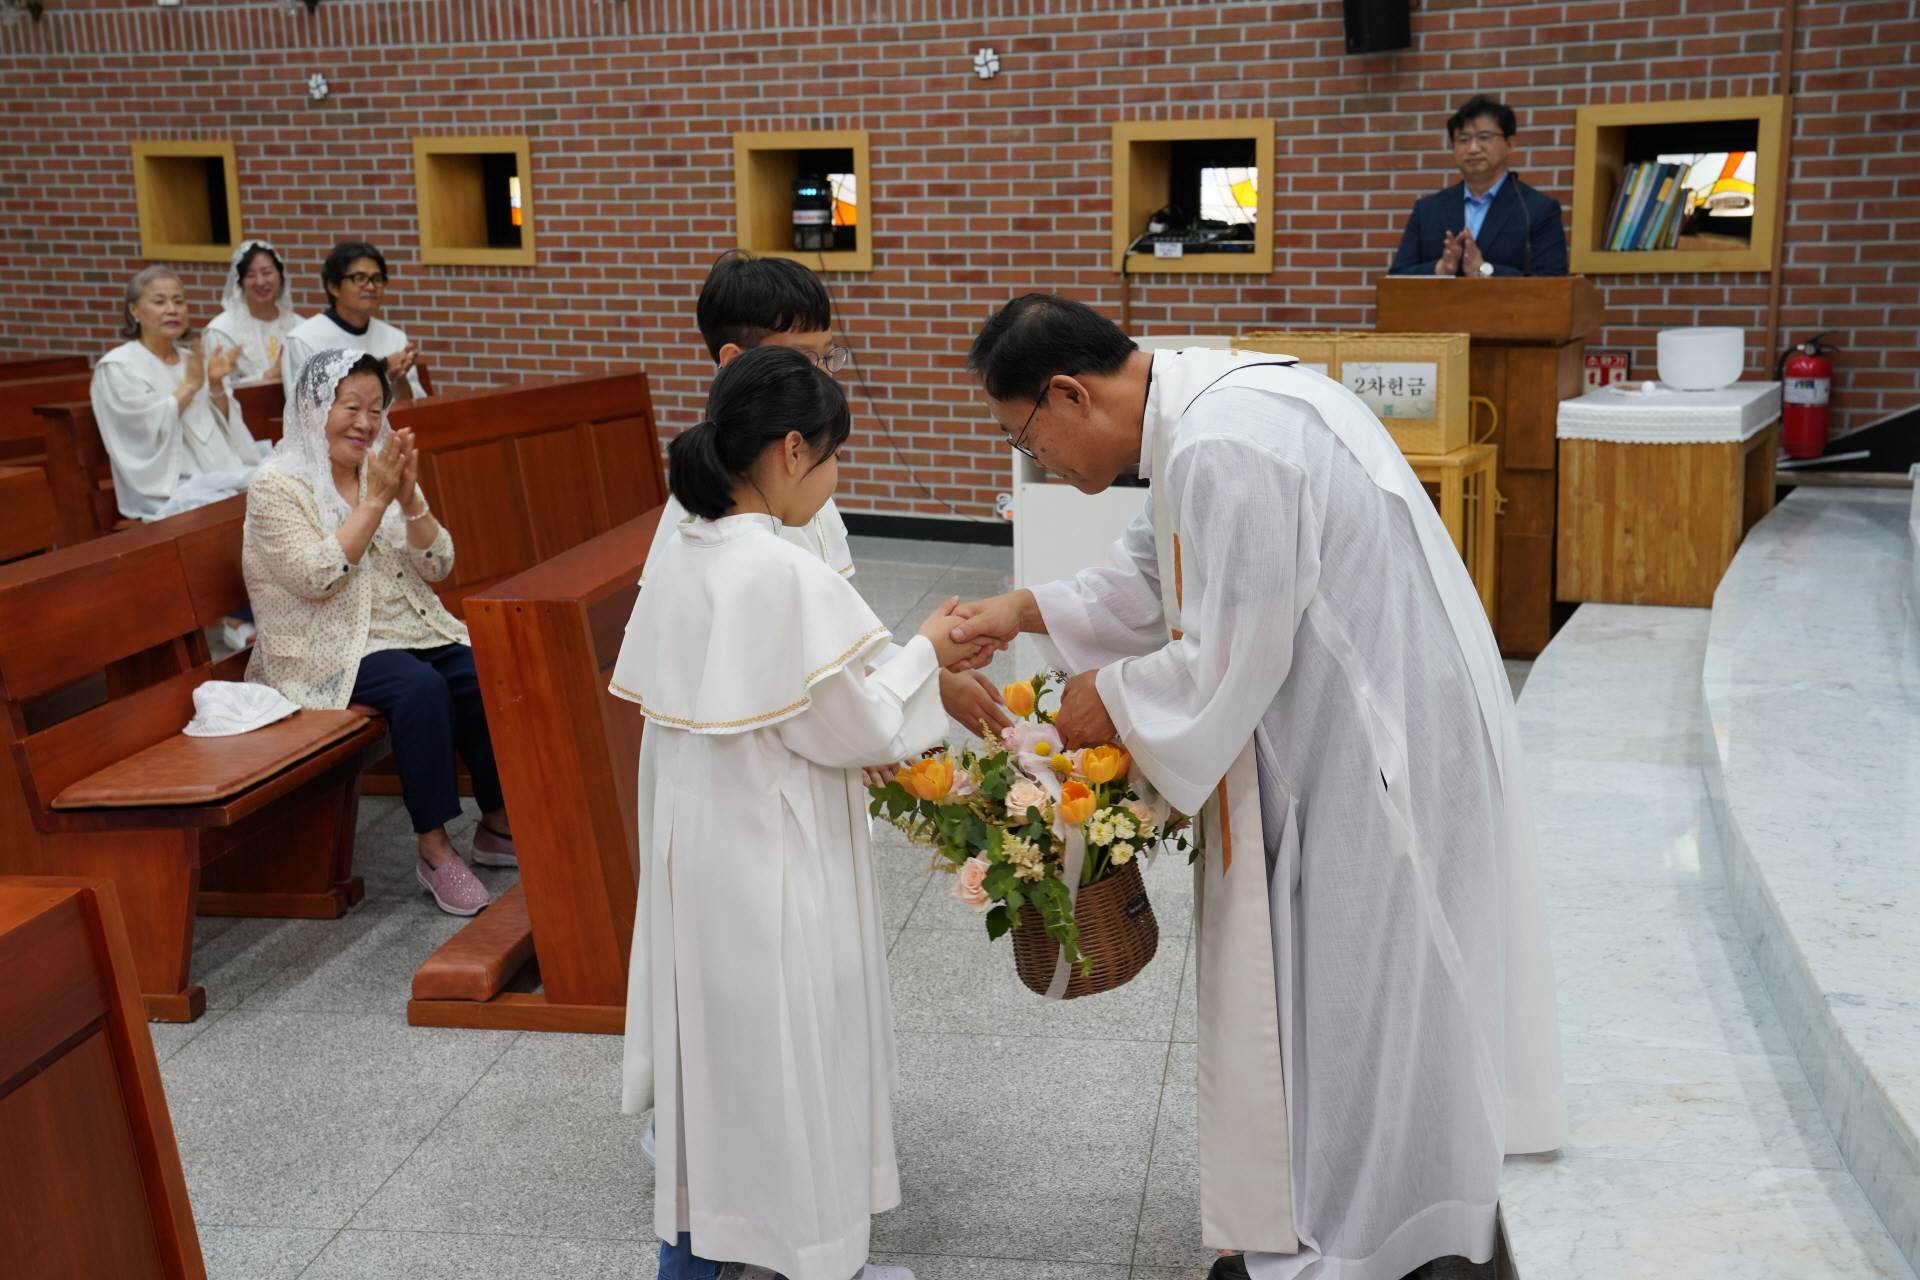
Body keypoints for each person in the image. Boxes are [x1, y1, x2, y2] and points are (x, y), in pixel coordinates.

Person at [949, 295, 1564, 1280]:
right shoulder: (1204, 409)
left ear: (1070, 393)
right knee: (1356, 993)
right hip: (1360, 733)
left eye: (1027, 438)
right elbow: (1157, 575)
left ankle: (1363, 1235)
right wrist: (1021, 608)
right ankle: (1356, 1205)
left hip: (1376, 752)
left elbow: (1229, 653)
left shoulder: (1224, 443)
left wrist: (1105, 700)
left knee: (1366, 996)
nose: (1040, 463)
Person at [613, 346, 985, 1280]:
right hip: (774, 850)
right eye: (833, 454)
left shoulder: (684, 549)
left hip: (699, 849)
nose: (834, 475)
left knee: (725, 1059)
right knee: (794, 1043)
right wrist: (926, 649)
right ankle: (814, 1257)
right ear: (789, 450)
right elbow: (859, 726)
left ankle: (717, 1247)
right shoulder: (780, 572)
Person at [643, 250, 1010, 739]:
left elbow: (833, 639)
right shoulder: (711, 517)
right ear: (734, 361)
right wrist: (922, 667)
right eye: (803, 360)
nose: (823, 378)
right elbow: (804, 702)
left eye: (827, 356)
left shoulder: (795, 481)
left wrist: (927, 671)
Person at [242, 349, 511, 917]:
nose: (365, 423)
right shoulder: (276, 485)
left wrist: (409, 500)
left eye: (375, 409)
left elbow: (439, 566)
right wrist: (378, 501)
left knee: (480, 668)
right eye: (351, 407)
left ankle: (497, 822)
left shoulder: (378, 471)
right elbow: (316, 577)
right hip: (324, 645)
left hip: (405, 629)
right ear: (314, 408)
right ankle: (435, 849)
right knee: (419, 689)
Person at [91, 266, 264, 521]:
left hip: (217, 471)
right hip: (169, 486)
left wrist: (215, 385)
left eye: (179, 301)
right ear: (134, 310)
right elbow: (139, 434)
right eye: (159, 301)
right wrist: (189, 387)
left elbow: (223, 428)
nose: (172, 309)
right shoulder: (118, 367)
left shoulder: (190, 359)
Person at [1389, 94, 1568, 277]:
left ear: (1510, 143)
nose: (1473, 149)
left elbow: (1553, 281)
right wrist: (1440, 269)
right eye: (1463, 139)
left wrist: (1484, 270)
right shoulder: (1427, 210)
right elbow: (1396, 277)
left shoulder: (1536, 210)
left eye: (1484, 137)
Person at [282, 241, 425, 400]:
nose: (371, 287)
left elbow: (413, 404)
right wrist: (382, 372)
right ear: (333, 287)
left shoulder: (396, 338)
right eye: (360, 278)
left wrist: (398, 378)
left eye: (377, 278)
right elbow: (305, 408)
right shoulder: (304, 340)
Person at [203, 240, 304, 390]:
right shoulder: (221, 332)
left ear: (280, 275)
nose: (260, 282)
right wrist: (268, 376)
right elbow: (216, 389)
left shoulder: (300, 326)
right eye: (250, 275)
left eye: (266, 272)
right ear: (239, 282)